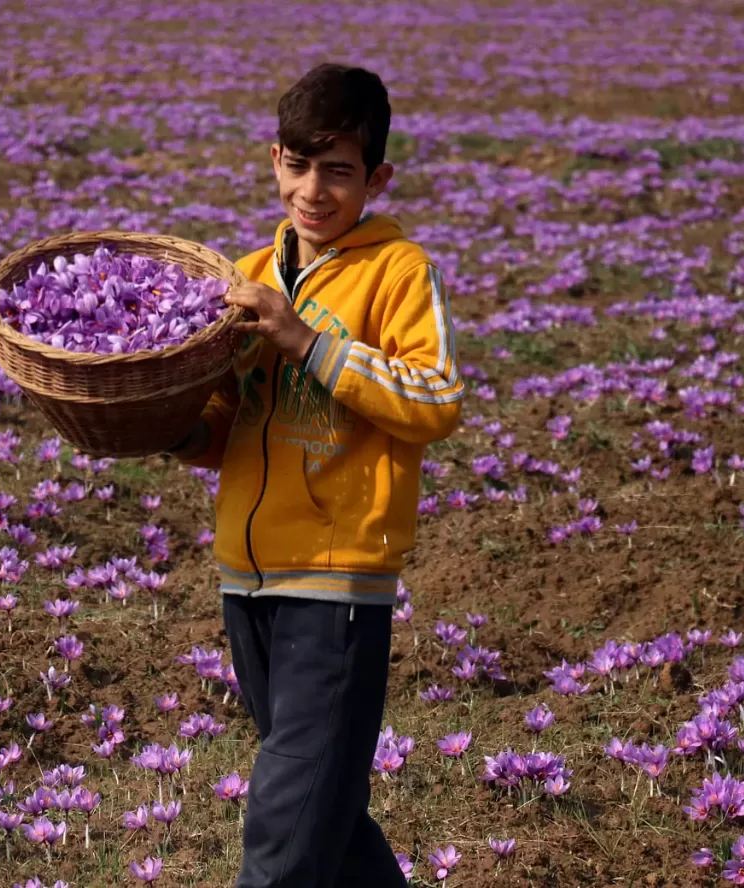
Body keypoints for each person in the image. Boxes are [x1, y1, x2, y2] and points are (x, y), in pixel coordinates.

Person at [169, 62, 465, 887]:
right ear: (274, 160)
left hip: (337, 585)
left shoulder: (399, 272)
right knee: (323, 808)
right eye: (299, 164)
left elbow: (435, 399)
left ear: (377, 178)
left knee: (286, 828)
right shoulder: (246, 278)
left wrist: (307, 341)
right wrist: (174, 427)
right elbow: (230, 423)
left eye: (338, 170)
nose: (314, 189)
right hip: (247, 579)